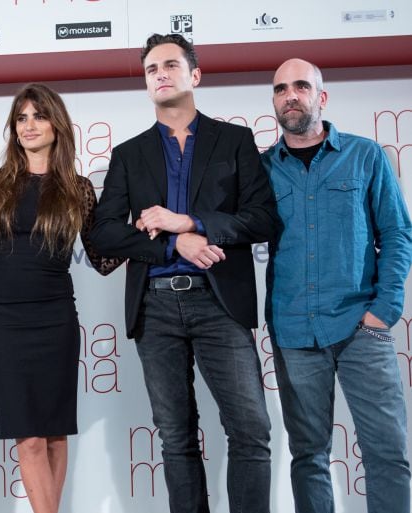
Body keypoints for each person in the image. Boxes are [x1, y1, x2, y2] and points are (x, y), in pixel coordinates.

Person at [90, 33, 277, 513]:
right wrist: (176, 242)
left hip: (219, 302)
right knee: (175, 436)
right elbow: (106, 234)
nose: (161, 75)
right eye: (152, 69)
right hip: (155, 307)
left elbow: (262, 219)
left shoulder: (233, 141)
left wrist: (190, 222)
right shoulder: (130, 154)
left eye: (170, 65)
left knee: (251, 430)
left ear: (194, 75)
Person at [262, 58, 412, 513]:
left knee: (388, 451)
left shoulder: (365, 155)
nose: (291, 95)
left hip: (359, 326)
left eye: (301, 86)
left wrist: (383, 310)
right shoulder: (260, 168)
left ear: (321, 97)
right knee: (308, 456)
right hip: (293, 332)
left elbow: (397, 234)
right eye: (281, 88)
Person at [0, 83, 121, 513]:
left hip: (56, 320)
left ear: (57, 125)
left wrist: (144, 236)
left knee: (55, 434)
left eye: (38, 116)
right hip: (3, 320)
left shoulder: (78, 188)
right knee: (30, 437)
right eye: (22, 118)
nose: (29, 125)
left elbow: (102, 258)